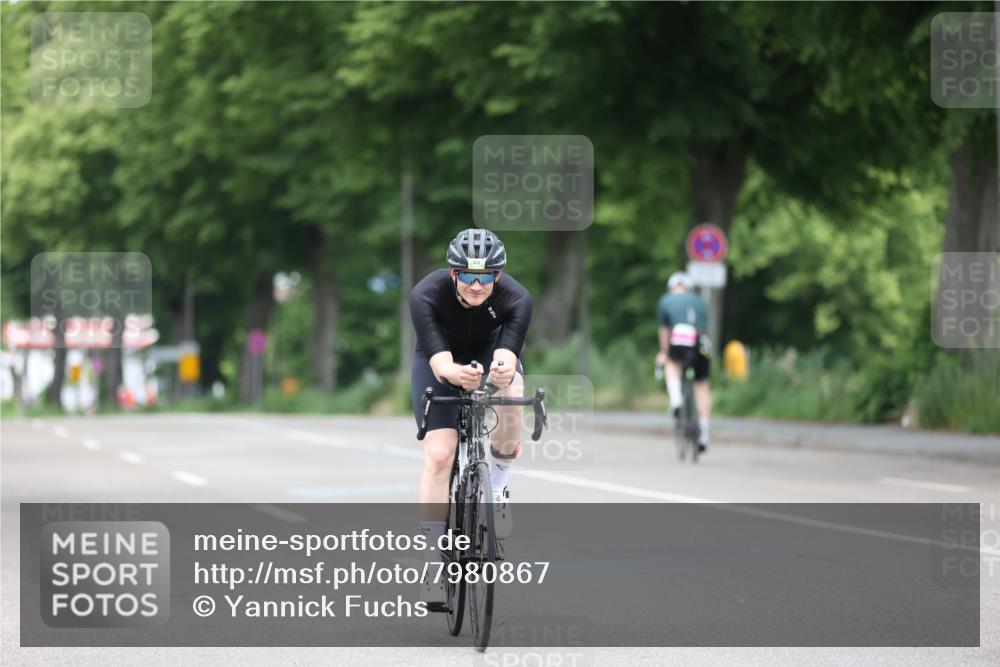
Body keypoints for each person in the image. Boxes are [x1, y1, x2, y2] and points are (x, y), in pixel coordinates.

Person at [409, 228, 532, 607]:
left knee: (512, 393)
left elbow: (508, 357)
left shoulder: (517, 299)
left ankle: (497, 484)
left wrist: (500, 372)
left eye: (485, 277)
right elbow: (441, 362)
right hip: (438, 358)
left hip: (489, 350)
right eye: (467, 276)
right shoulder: (425, 295)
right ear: (452, 273)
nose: (476, 286)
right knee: (440, 455)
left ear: (497, 276)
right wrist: (454, 374)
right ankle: (432, 562)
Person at [656, 271, 712, 452]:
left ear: (672, 287)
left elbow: (665, 331)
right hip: (697, 342)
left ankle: (676, 398)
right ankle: (704, 433)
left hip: (678, 338)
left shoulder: (666, 300)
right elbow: (703, 327)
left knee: (672, 363)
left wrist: (664, 352)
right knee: (701, 386)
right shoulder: (699, 301)